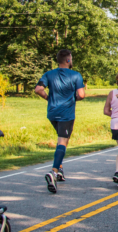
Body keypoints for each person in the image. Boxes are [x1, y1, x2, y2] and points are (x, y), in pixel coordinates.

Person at [35, 49, 85, 194]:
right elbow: (81, 95)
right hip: (66, 114)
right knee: (63, 142)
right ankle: (53, 172)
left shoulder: (49, 74)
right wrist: (73, 98)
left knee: (61, 140)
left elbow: (38, 89)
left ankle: (60, 169)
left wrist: (48, 98)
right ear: (68, 60)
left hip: (52, 113)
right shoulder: (75, 75)